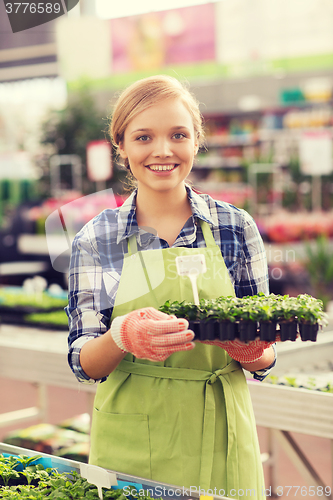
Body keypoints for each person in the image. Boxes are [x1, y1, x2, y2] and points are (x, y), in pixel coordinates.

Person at [66, 75, 276, 498]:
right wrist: (120, 335)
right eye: (144, 137)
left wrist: (251, 350)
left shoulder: (236, 227)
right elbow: (83, 362)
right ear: (121, 147)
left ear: (196, 140)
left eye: (178, 134)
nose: (163, 150)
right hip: (132, 435)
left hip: (220, 429)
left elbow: (267, 355)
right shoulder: (96, 237)